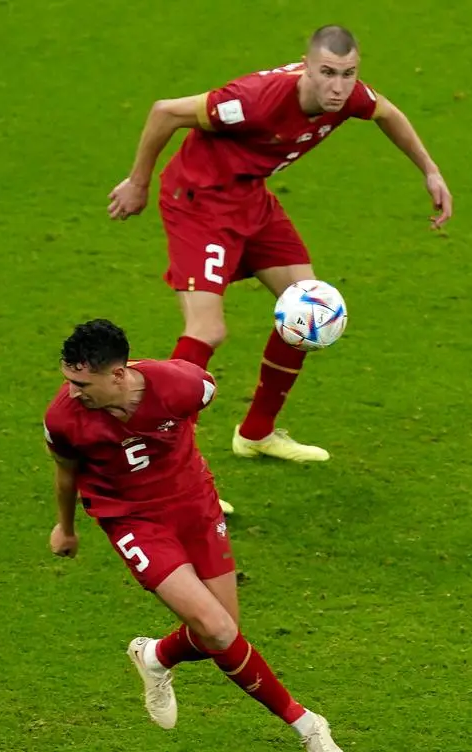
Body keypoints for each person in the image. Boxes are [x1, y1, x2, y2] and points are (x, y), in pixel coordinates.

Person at [106, 24, 453, 464]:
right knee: (207, 330)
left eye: (348, 74)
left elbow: (387, 113)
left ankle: (256, 433)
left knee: (310, 311)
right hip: (200, 203)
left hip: (251, 198)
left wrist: (430, 170)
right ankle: (163, 459)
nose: (339, 86)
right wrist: (137, 185)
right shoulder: (254, 100)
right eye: (327, 72)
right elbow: (164, 112)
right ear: (306, 67)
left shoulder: (349, 98)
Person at [43, 318, 349, 752]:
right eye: (69, 380)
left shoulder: (181, 385)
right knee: (217, 629)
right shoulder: (63, 418)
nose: (73, 392)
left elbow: (200, 400)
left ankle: (154, 657)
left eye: (83, 383)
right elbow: (66, 473)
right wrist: (65, 528)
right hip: (133, 522)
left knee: (221, 635)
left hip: (195, 506)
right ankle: (307, 724)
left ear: (119, 374)